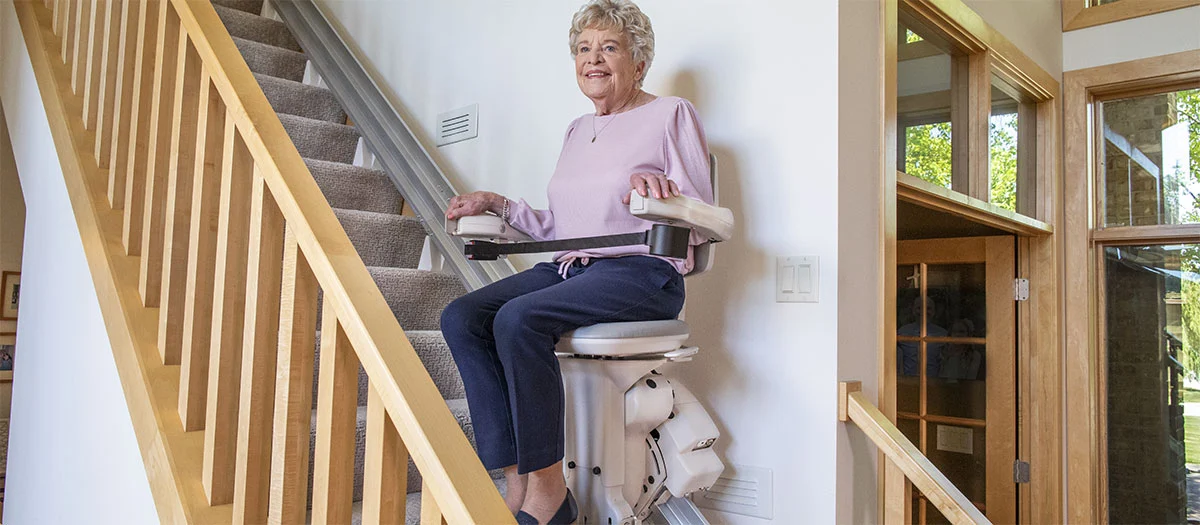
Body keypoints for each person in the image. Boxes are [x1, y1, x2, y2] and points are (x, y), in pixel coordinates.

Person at [438, 1, 713, 523]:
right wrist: (498, 204)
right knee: (463, 317)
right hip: (572, 267)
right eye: (584, 49)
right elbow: (562, 228)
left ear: (639, 62)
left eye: (609, 47)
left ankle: (549, 494)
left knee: (518, 320)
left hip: (641, 272)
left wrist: (664, 194)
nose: (593, 59)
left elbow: (701, 217)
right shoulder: (576, 130)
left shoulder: (670, 113)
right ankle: (516, 477)